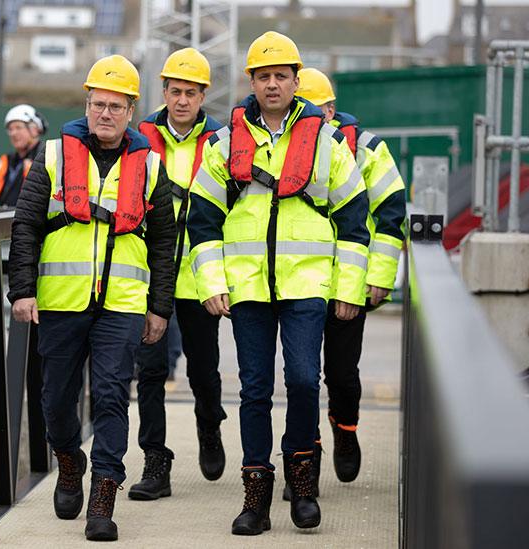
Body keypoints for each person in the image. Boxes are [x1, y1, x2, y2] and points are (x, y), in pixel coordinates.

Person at [186, 31, 370, 535]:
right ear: (252, 81)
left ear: (295, 80)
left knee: (306, 381)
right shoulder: (224, 144)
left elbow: (355, 220)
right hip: (246, 290)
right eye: (263, 76)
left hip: (307, 285)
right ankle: (256, 499)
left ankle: (303, 486)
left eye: (280, 76)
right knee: (254, 391)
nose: (272, 84)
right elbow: (201, 222)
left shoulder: (328, 144)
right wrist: (211, 282)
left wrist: (350, 289)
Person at [7, 54, 176, 542]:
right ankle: (68, 459)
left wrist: (159, 306)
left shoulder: (150, 166)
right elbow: (26, 224)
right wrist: (22, 290)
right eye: (98, 104)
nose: (105, 113)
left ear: (130, 111)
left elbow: (165, 241)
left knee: (110, 397)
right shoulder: (55, 156)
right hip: (60, 300)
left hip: (122, 303)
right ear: (87, 105)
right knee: (55, 401)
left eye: (115, 106)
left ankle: (104, 494)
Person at [292, 67, 407, 492]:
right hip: (301, 280)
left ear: (331, 109)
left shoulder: (367, 150)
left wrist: (378, 277)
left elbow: (392, 213)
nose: (306, 115)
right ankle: (307, 457)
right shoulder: (284, 146)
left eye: (314, 109)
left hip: (350, 280)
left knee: (341, 374)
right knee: (300, 376)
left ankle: (345, 429)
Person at [128, 47, 227, 502]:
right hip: (152, 277)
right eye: (175, 91)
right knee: (150, 372)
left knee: (204, 372)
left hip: (201, 278)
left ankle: (210, 427)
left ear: (204, 94)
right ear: (163, 92)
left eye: (190, 92)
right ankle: (155, 464)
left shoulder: (224, 142)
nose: (182, 100)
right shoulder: (139, 140)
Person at [0, 104, 49, 207]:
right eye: (10, 129)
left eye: (18, 127)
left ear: (34, 130)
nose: (13, 133)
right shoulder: (8, 161)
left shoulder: (47, 157)